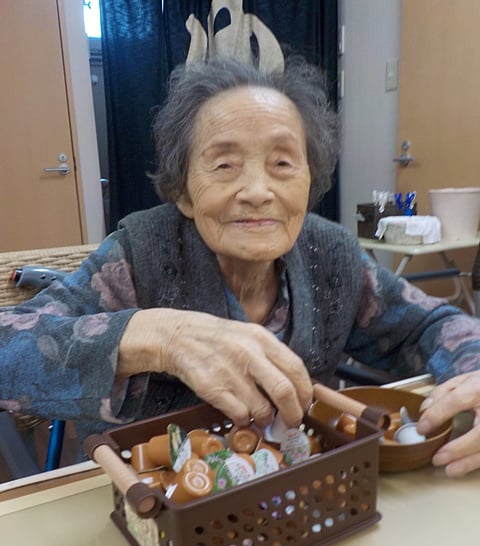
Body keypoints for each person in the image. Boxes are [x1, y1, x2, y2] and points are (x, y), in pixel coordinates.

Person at [1, 56, 480, 477]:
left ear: (310, 181)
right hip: (151, 511)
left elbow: (431, 324)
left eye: (282, 163)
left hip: (302, 496)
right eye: (225, 165)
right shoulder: (141, 255)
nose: (257, 190)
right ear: (184, 192)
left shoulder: (331, 256)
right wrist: (157, 338)